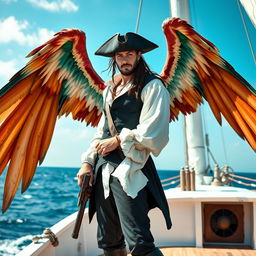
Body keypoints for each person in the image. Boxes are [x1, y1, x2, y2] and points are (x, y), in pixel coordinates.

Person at [77, 32, 172, 256]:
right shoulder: (110, 90)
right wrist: (88, 163)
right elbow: (102, 131)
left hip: (131, 169)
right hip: (102, 171)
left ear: (139, 55)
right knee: (109, 242)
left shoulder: (153, 86)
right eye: (120, 56)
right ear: (114, 59)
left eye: (129, 54)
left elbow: (155, 131)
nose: (125, 60)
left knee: (140, 243)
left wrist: (118, 140)